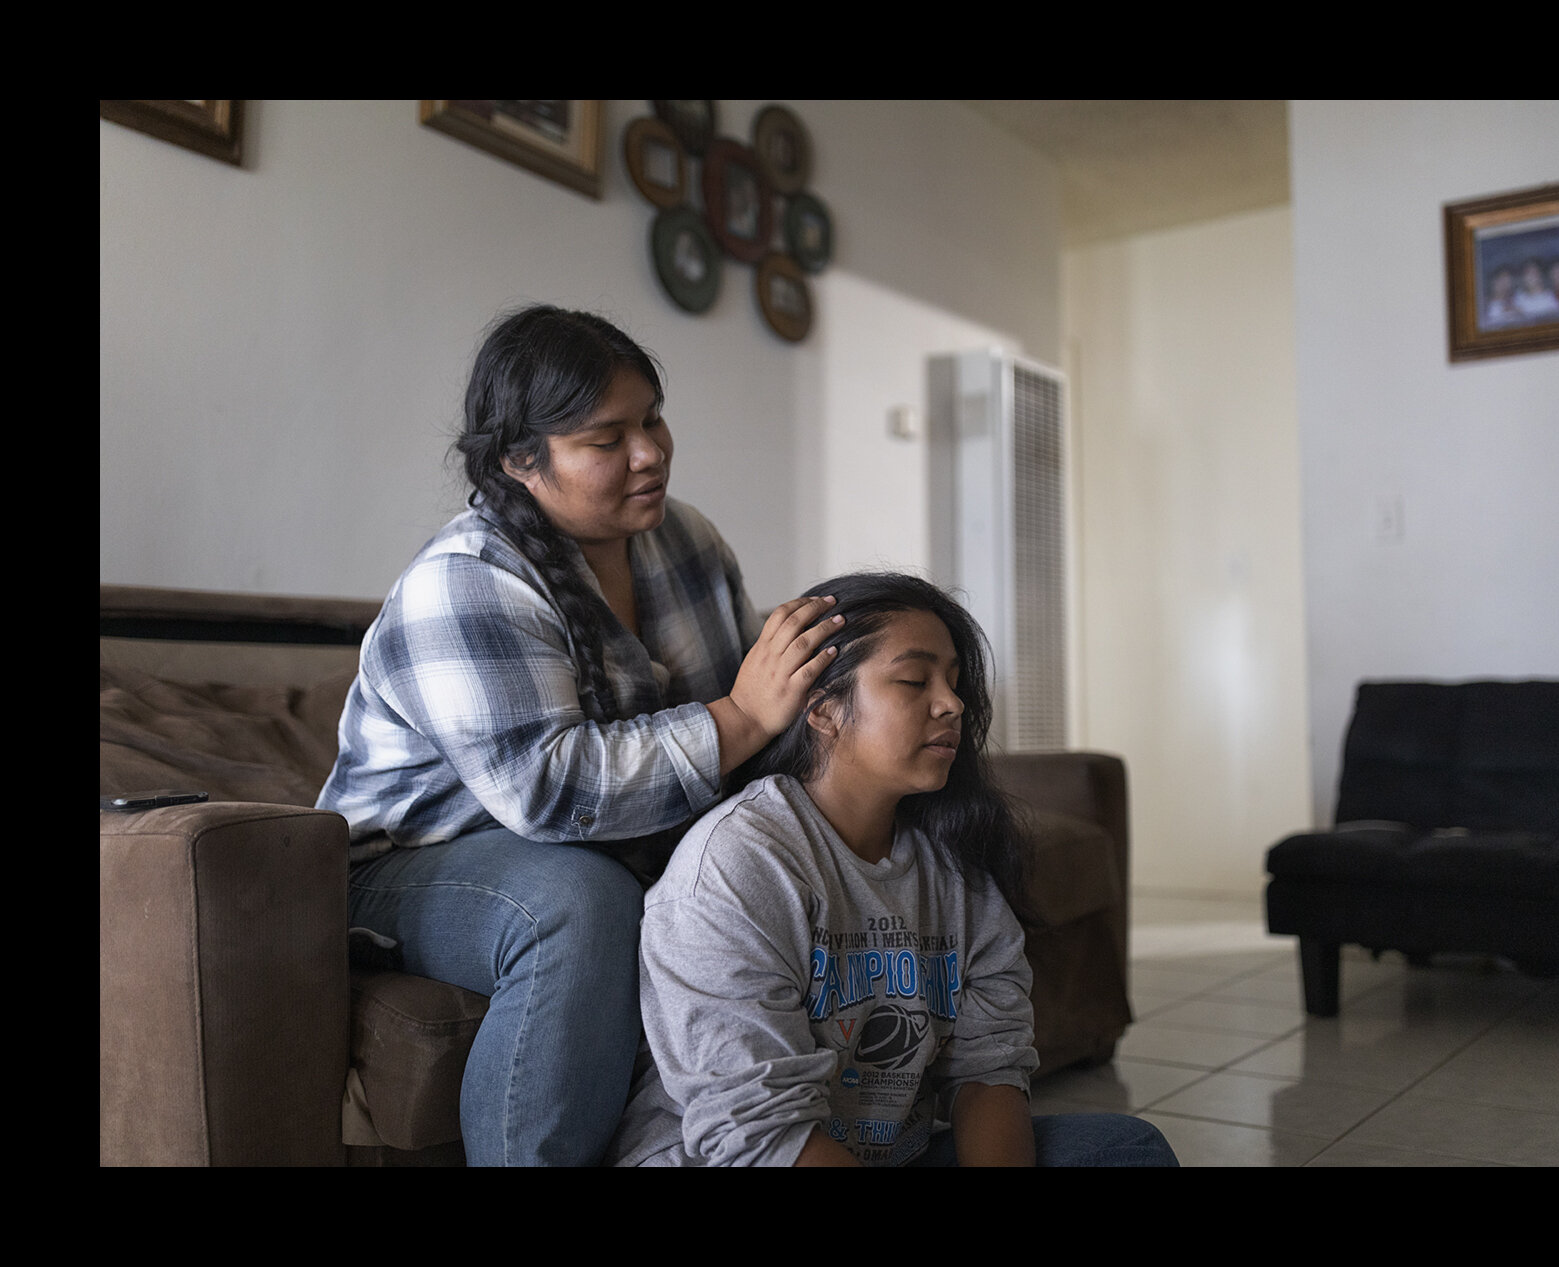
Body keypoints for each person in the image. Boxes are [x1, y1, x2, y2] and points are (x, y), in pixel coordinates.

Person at [316, 304, 841, 1165]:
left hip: (599, 845)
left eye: (653, 418)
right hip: (408, 864)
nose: (650, 452)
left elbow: (757, 726)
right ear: (521, 461)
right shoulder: (466, 581)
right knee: (577, 898)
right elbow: (550, 792)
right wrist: (741, 718)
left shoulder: (687, 541)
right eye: (607, 440)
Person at [605, 572, 1180, 1167]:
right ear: (823, 711)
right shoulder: (737, 865)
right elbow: (760, 1135)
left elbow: (989, 1070)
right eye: (913, 680)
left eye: (955, 682)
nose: (952, 704)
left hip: (886, 1154)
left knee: (1125, 1148)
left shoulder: (955, 862)